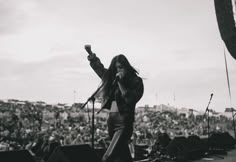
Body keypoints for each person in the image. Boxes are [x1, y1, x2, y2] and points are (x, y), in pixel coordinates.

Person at [85, 45, 144, 162]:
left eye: (120, 67)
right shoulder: (112, 79)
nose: (118, 70)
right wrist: (91, 55)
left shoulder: (135, 81)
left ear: (126, 67)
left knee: (107, 157)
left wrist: (121, 83)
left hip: (124, 122)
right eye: (115, 68)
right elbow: (100, 70)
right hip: (111, 120)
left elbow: (130, 99)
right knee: (123, 156)